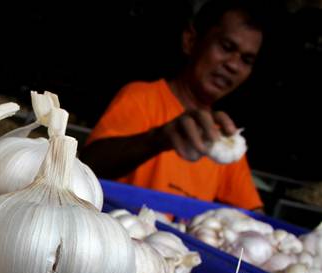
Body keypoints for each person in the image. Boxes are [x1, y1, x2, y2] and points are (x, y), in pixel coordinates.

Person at [81, 0, 266, 211]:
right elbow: (87, 166)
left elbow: (254, 214)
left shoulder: (223, 136)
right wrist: (158, 138)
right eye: (226, 47)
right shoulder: (142, 97)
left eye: (247, 60)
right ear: (190, 40)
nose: (233, 65)